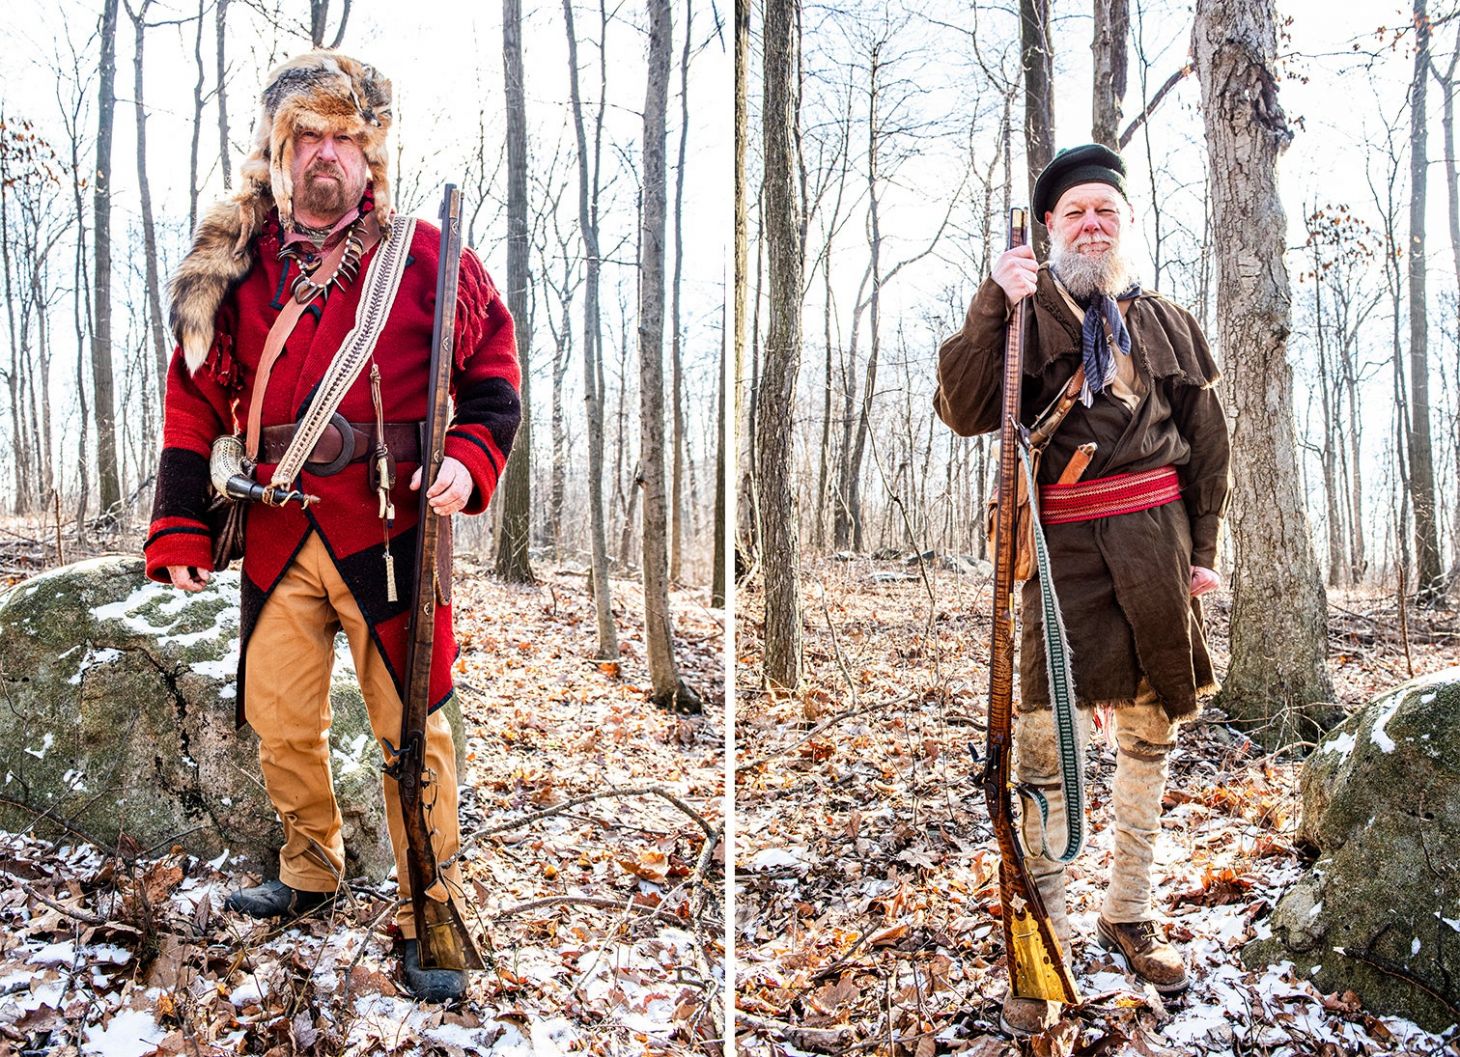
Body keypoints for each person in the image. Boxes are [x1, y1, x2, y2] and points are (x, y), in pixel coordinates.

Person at [143, 50, 521, 1003]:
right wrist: (179, 524)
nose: (324, 154)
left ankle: (428, 897)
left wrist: (471, 459)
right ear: (277, 153)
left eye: (342, 138)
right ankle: (310, 866)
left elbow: (495, 374)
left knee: (413, 729)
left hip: (392, 527)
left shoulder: (430, 254)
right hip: (276, 528)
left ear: (369, 155)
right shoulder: (234, 266)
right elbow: (193, 397)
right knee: (277, 716)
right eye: (304, 136)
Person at [933, 144, 1231, 1035]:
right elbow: (962, 406)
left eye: (1106, 209)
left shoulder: (1168, 323)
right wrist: (997, 300)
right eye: (1075, 213)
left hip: (1157, 552)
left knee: (1150, 736)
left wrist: (1204, 549)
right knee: (1040, 750)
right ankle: (1044, 942)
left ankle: (1129, 910)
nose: (1092, 223)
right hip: (1054, 562)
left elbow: (1209, 447)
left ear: (1125, 225)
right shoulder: (1023, 320)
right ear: (1051, 230)